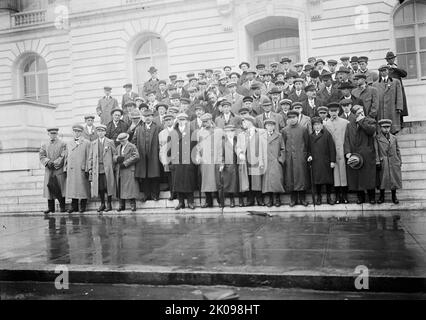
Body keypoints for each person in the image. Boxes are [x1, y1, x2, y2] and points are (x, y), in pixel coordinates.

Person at [344, 105, 377, 204]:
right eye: (358, 113)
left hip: (367, 153)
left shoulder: (369, 121)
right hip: (355, 154)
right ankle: (360, 197)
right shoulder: (350, 125)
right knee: (357, 177)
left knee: (369, 176)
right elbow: (346, 139)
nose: (361, 114)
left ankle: (372, 197)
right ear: (354, 115)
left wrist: (361, 121)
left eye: (362, 112)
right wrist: (348, 152)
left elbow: (371, 131)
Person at [237, 115, 267, 206]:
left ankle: (259, 199)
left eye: (244, 122)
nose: (243, 124)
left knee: (257, 180)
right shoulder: (241, 134)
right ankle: (250, 200)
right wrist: (240, 153)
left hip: (257, 160)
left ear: (250, 122)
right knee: (248, 180)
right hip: (246, 161)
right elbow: (237, 147)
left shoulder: (261, 132)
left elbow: (264, 146)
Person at [281, 110, 310, 207]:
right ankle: (293, 199)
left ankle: (302, 198)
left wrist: (305, 155)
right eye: (290, 118)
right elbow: (283, 145)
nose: (292, 120)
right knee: (291, 178)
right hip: (289, 158)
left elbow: (307, 143)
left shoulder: (303, 129)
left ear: (297, 118)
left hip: (301, 157)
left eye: (294, 117)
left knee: (301, 178)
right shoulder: (284, 130)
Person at [132, 109, 161, 202]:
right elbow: (134, 142)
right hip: (142, 156)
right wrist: (137, 152)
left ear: (152, 117)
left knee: (155, 176)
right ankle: (146, 194)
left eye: (149, 116)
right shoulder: (139, 128)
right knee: (145, 177)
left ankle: (155, 195)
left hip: (154, 155)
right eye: (145, 116)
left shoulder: (157, 128)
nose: (147, 118)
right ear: (143, 118)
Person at [170, 113, 197, 210]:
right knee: (178, 181)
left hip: (188, 160)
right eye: (180, 120)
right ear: (177, 121)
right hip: (177, 160)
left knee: (188, 181)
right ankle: (181, 202)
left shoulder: (191, 132)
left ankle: (190, 202)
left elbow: (195, 146)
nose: (182, 122)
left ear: (187, 121)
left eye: (183, 120)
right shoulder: (173, 132)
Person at [324, 102, 350, 204]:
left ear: (339, 111)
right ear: (328, 112)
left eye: (335, 111)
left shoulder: (345, 122)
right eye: (331, 111)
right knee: (335, 175)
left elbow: (348, 138)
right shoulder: (326, 124)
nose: (333, 113)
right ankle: (338, 196)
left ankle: (345, 195)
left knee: (343, 174)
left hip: (342, 151)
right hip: (332, 152)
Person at [88, 124, 116, 212]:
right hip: (97, 168)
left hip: (107, 168)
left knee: (108, 186)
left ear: (105, 132)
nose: (100, 133)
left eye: (102, 131)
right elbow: (90, 157)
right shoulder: (93, 143)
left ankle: (109, 204)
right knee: (100, 187)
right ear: (97, 132)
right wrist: (90, 168)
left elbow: (114, 154)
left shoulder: (110, 142)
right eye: (99, 131)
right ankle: (102, 203)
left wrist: (113, 166)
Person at [308, 117, 336, 205]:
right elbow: (308, 148)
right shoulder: (311, 136)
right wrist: (309, 156)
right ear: (312, 126)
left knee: (328, 181)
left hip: (325, 161)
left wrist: (332, 161)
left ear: (322, 125)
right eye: (315, 125)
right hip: (316, 161)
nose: (317, 127)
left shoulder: (327, 135)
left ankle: (328, 197)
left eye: (319, 124)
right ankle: (319, 197)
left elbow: (332, 148)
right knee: (317, 181)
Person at [64, 124, 91, 213]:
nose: (76, 133)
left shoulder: (86, 142)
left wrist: (88, 168)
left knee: (83, 187)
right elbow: (66, 156)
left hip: (81, 168)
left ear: (81, 132)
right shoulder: (69, 143)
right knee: (73, 188)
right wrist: (65, 167)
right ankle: (74, 206)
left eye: (78, 131)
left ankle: (83, 205)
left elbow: (89, 156)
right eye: (75, 131)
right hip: (72, 169)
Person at [39, 127, 67, 213]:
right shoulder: (44, 145)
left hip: (58, 169)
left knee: (60, 188)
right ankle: (51, 208)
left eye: (54, 133)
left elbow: (63, 155)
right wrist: (47, 162)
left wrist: (55, 163)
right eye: (51, 134)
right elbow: (42, 156)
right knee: (49, 188)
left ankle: (62, 207)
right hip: (49, 170)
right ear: (48, 134)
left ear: (57, 134)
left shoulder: (63, 144)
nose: (53, 135)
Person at [375, 119, 402, 204]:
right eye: (384, 127)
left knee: (394, 179)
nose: (386, 129)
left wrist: (399, 160)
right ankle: (381, 196)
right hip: (384, 160)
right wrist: (377, 161)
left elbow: (397, 150)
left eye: (388, 127)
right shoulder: (377, 138)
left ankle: (394, 196)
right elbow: (376, 150)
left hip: (393, 160)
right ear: (380, 128)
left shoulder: (394, 138)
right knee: (383, 179)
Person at [196, 113, 220, 208]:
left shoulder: (217, 131)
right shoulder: (200, 132)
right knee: (205, 180)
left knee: (216, 180)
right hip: (205, 159)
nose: (204, 123)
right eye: (203, 122)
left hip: (215, 159)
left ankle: (219, 199)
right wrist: (198, 155)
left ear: (211, 120)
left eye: (206, 121)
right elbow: (198, 146)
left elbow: (220, 146)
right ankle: (208, 201)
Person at [216, 124, 242, 207]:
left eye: (232, 131)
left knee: (239, 182)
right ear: (225, 133)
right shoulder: (223, 142)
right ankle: (232, 200)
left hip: (237, 165)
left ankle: (241, 200)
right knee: (229, 183)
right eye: (228, 132)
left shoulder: (237, 140)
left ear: (234, 132)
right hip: (228, 166)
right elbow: (221, 154)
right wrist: (222, 163)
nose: (230, 133)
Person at [372, 65, 403, 134]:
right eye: (381, 71)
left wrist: (399, 107)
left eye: (385, 70)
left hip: (392, 109)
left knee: (392, 129)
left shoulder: (396, 82)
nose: (383, 72)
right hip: (381, 110)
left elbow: (399, 95)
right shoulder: (375, 85)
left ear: (388, 71)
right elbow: (374, 99)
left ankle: (392, 141)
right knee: (381, 128)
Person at [261, 119, 285, 207]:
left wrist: (280, 160)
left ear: (274, 126)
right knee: (268, 182)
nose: (270, 127)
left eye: (271, 125)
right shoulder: (262, 136)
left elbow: (283, 149)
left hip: (275, 161)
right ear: (265, 127)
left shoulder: (279, 136)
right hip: (266, 161)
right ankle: (270, 199)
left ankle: (277, 199)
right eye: (268, 125)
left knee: (277, 181)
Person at [114, 133, 140, 211]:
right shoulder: (118, 147)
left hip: (128, 169)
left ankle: (133, 204)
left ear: (126, 140)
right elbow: (114, 156)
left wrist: (125, 163)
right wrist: (117, 158)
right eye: (120, 141)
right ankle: (122, 204)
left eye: (122, 141)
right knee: (121, 188)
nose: (121, 142)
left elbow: (136, 156)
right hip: (120, 170)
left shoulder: (132, 146)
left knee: (130, 188)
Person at [385, 51, 408, 125]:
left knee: (400, 105)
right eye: (389, 59)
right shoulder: (385, 69)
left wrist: (395, 68)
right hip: (389, 90)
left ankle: (401, 123)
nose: (391, 60)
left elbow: (404, 74)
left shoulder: (397, 67)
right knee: (391, 108)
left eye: (392, 58)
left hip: (398, 90)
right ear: (387, 60)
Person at [159, 113, 176, 200]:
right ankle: (172, 193)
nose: (168, 122)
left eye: (170, 120)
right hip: (167, 158)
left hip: (177, 158)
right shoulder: (162, 133)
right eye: (166, 120)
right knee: (169, 177)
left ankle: (179, 193)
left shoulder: (178, 131)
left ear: (173, 120)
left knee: (177, 176)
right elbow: (161, 148)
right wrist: (163, 160)